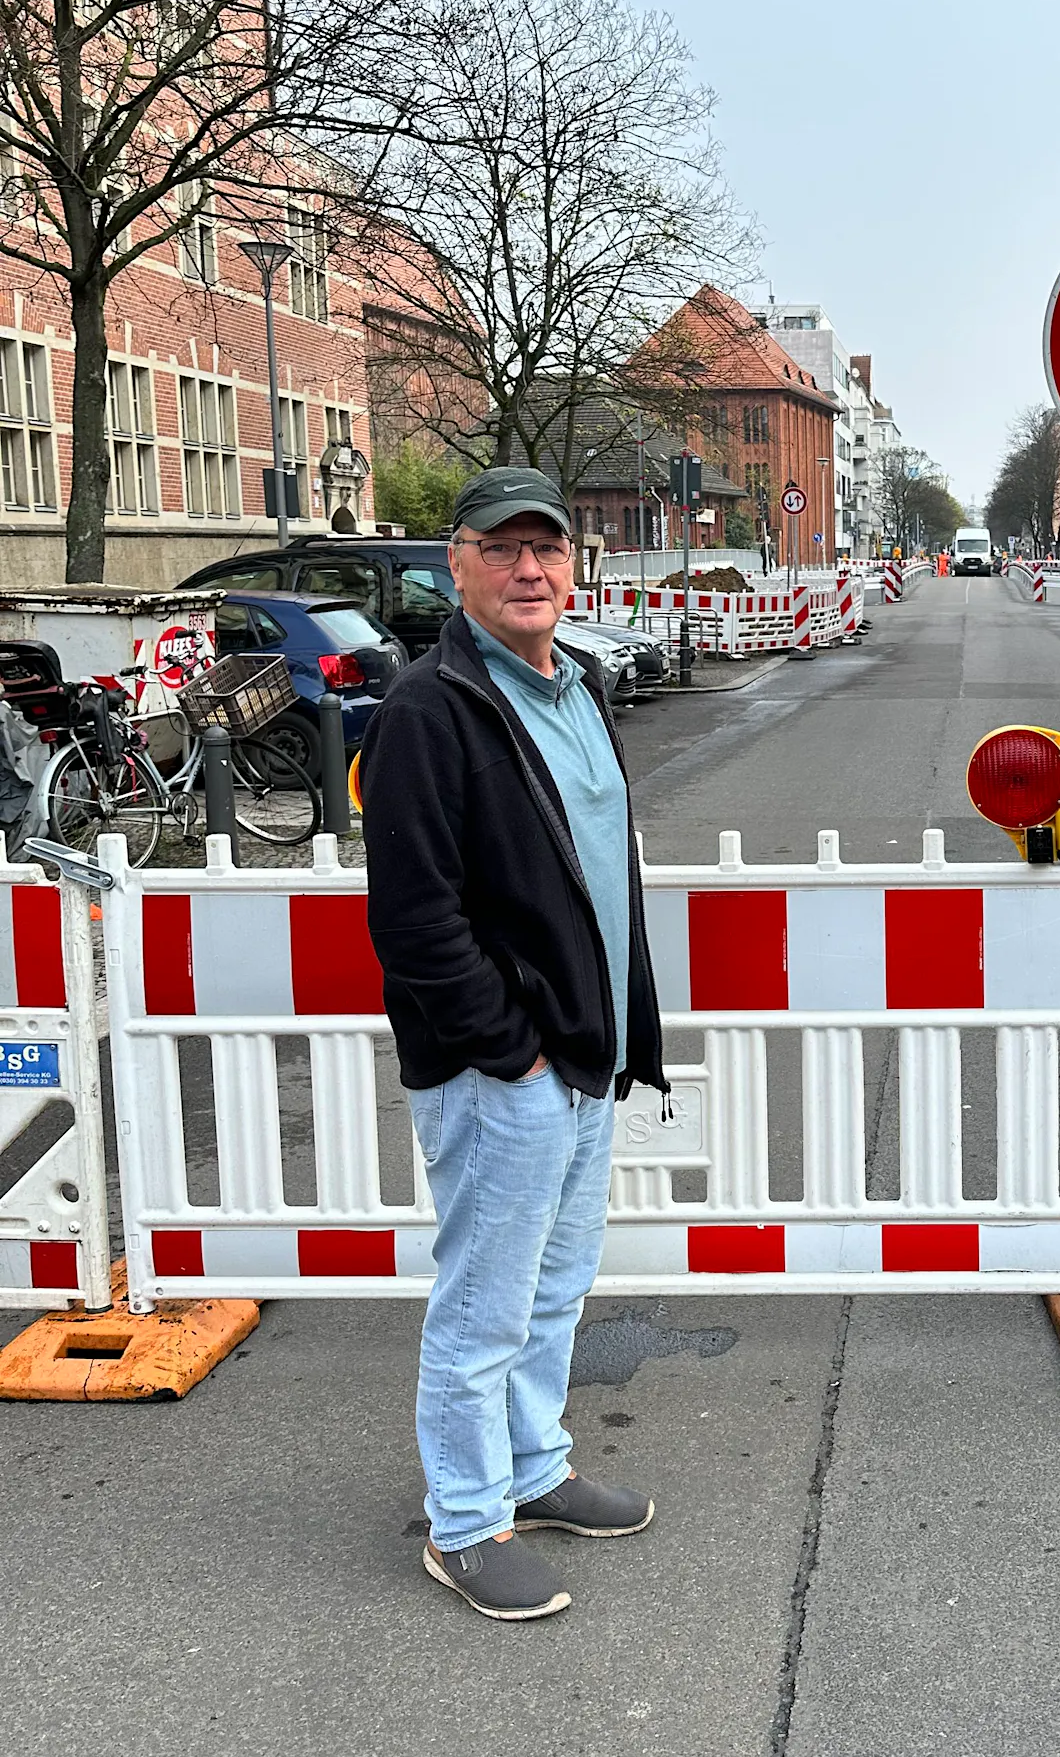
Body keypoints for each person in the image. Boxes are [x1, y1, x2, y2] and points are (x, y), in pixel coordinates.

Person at [360, 466, 667, 1622]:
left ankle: (535, 1467)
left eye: (546, 546)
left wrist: (605, 1035)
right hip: (506, 1069)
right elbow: (414, 919)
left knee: (552, 1288)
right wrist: (511, 1048)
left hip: (584, 1053)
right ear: (459, 562)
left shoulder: (580, 681)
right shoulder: (427, 712)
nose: (528, 567)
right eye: (502, 548)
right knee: (485, 1302)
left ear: (572, 560)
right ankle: (465, 1519)